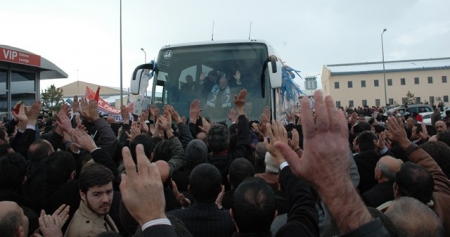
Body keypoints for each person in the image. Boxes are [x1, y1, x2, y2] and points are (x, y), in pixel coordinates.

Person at [167, 163, 235, 237]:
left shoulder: (172, 219)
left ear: (189, 189)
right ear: (221, 189)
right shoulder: (231, 220)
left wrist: (184, 207)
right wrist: (219, 206)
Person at [65, 163, 118, 237]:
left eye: (109, 192)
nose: (105, 199)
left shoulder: (95, 209)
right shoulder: (89, 233)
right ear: (82, 195)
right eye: (97, 194)